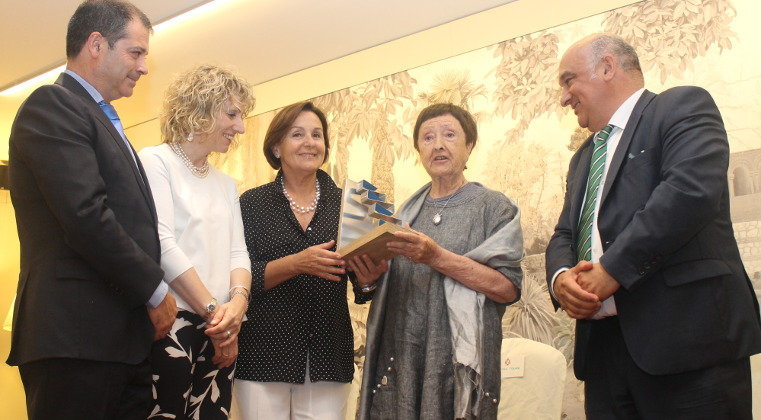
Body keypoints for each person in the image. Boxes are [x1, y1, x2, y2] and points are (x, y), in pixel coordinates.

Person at [546, 33, 761, 419]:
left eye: (568, 79)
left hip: (688, 347)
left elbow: (688, 193)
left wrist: (611, 270)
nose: (564, 96)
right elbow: (565, 232)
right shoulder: (583, 158)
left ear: (607, 67)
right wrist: (561, 278)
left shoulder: (680, 107)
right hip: (604, 358)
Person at [6, 1, 177, 418]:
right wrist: (155, 289)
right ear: (96, 45)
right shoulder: (53, 105)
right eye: (135, 53)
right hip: (76, 340)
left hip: (117, 342)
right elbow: (86, 216)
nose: (143, 67)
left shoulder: (104, 120)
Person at [358, 103, 523, 419]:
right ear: (418, 149)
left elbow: (507, 289)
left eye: (449, 135)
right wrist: (370, 279)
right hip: (401, 363)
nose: (438, 145)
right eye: (427, 137)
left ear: (469, 145)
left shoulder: (494, 207)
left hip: (458, 367)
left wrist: (436, 257)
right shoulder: (403, 216)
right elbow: (389, 288)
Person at [235, 101, 383, 420]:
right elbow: (237, 277)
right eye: (297, 134)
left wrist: (370, 278)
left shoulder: (355, 203)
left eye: (317, 135)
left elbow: (364, 286)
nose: (309, 142)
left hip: (328, 353)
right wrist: (296, 264)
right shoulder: (250, 203)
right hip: (262, 353)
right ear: (276, 147)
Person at [138, 64, 255, 419]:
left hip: (221, 331)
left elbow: (239, 253)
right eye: (232, 114)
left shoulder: (226, 184)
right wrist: (214, 313)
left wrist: (236, 309)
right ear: (198, 110)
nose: (241, 126)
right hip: (175, 324)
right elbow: (161, 243)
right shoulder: (155, 161)